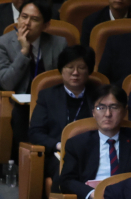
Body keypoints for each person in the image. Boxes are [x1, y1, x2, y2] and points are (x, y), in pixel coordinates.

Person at [58, 84, 131, 199]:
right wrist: (92, 194)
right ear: (93, 111)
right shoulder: (77, 143)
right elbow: (66, 180)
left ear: (124, 111)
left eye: (114, 107)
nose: (107, 114)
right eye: (101, 107)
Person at [28, 46, 94, 180]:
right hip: (57, 154)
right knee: (66, 169)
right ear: (61, 70)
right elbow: (35, 133)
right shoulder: (48, 96)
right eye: (70, 67)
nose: (75, 72)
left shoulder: (98, 96)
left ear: (89, 71)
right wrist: (58, 145)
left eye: (81, 67)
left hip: (91, 154)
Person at [0, 0, 66, 94]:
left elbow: (64, 79)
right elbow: (7, 84)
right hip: (19, 102)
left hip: (50, 99)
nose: (27, 23)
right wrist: (24, 52)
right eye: (24, 17)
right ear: (18, 19)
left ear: (45, 26)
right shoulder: (1, 44)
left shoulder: (59, 43)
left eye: (34, 19)